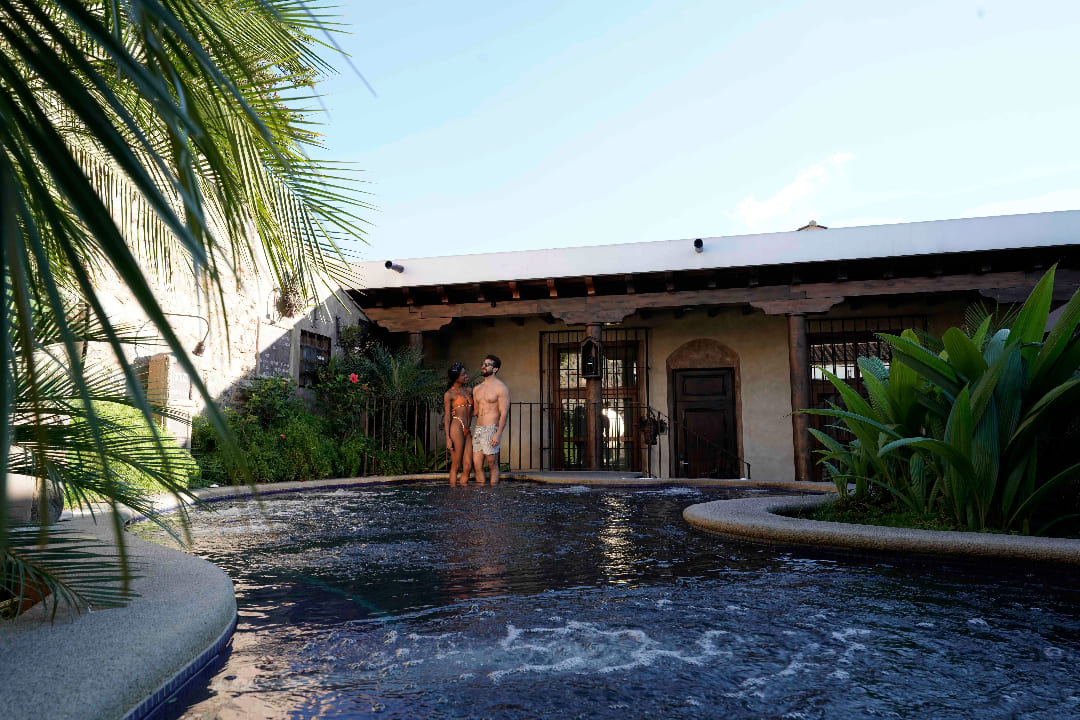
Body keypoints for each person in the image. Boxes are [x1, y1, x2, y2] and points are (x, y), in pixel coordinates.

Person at [471, 354, 509, 485]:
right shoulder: (477, 389)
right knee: (476, 465)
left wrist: (498, 434)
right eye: (483, 364)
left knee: (492, 464)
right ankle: (481, 497)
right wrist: (460, 410)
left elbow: (504, 414)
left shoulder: (501, 388)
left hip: (491, 428)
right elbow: (475, 411)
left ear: (495, 369)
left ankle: (493, 495)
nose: (483, 366)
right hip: (478, 429)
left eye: (487, 365)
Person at [443, 362, 473, 486]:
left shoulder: (469, 391)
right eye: (463, 374)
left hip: (467, 429)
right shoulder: (449, 394)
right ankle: (453, 495)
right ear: (456, 378)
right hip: (456, 427)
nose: (466, 376)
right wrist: (448, 438)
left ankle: (463, 496)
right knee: (456, 464)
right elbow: (447, 417)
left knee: (468, 466)